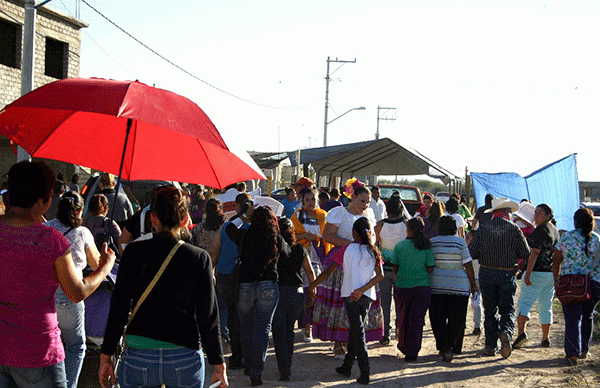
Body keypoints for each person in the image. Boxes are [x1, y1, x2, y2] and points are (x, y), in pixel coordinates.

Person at [99, 186, 228, 388]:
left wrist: (106, 355)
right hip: (184, 354)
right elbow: (208, 315)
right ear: (185, 219)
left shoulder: (132, 253)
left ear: (153, 218)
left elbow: (119, 309)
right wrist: (218, 362)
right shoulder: (198, 258)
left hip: (138, 354)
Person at [0, 161, 115, 388]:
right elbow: (76, 291)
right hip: (38, 351)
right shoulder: (50, 241)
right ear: (43, 201)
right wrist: (105, 268)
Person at [309, 217, 384, 385]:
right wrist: (363, 290)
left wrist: (312, 285)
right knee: (356, 331)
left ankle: (365, 372)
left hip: (351, 296)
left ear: (353, 233)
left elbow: (328, 272)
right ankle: (347, 366)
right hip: (366, 297)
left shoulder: (346, 249)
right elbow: (380, 276)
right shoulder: (373, 250)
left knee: (358, 334)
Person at [316, 178, 382, 359]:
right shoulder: (340, 213)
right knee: (341, 302)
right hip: (341, 263)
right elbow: (327, 235)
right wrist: (351, 245)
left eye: (368, 202)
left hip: (363, 264)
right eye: (363, 201)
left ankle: (350, 342)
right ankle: (338, 342)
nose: (366, 204)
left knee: (359, 301)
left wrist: (365, 247)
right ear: (352, 197)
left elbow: (373, 237)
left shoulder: (368, 216)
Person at [45, 192, 104, 388]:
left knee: (50, 342)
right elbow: (97, 265)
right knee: (75, 346)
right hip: (70, 296)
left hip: (47, 295)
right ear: (80, 210)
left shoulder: (46, 228)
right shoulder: (83, 233)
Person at [468, 197, 531, 359]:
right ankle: (506, 333)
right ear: (506, 213)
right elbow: (525, 253)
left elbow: (472, 252)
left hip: (487, 273)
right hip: (507, 273)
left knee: (490, 311)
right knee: (507, 309)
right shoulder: (514, 229)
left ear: (494, 213)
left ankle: (490, 346)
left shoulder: (484, 228)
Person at [237, 206, 289, 387]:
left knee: (245, 328)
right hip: (268, 284)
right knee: (262, 329)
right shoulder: (277, 239)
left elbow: (228, 229)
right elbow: (288, 254)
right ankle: (256, 372)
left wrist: (242, 215)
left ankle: (248, 363)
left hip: (246, 284)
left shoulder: (245, 235)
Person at [208, 192, 252, 369]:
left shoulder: (226, 226)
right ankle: (243, 353)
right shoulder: (253, 227)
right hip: (244, 274)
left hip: (225, 273)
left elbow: (213, 252)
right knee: (245, 315)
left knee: (229, 312)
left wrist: (211, 272)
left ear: (236, 206)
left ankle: (234, 353)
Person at [552, 207, 600, 364]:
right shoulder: (597, 239)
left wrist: (556, 279)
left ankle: (573, 353)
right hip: (593, 283)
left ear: (575, 222)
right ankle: (584, 350)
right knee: (588, 316)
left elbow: (557, 259)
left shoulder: (567, 237)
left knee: (573, 318)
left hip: (570, 283)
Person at [272, 218, 316, 382]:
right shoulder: (300, 249)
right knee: (289, 331)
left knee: (278, 333)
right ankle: (287, 365)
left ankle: (283, 369)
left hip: (278, 292)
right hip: (296, 293)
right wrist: (312, 290)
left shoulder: (275, 249)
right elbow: (310, 272)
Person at [429, 216, 478, 362]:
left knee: (438, 318)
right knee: (457, 318)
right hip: (459, 286)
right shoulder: (460, 242)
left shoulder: (433, 242)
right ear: (455, 228)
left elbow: (429, 263)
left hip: (437, 285)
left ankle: (443, 347)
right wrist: (473, 284)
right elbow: (468, 264)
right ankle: (453, 346)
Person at [512, 204, 560, 350]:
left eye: (539, 213)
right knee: (546, 306)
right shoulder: (555, 231)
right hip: (550, 274)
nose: (536, 215)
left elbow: (534, 253)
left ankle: (521, 334)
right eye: (535, 212)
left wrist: (528, 273)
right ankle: (545, 337)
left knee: (525, 303)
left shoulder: (541, 230)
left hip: (536, 271)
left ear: (547, 216)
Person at [390, 217, 435, 362]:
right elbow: (430, 267)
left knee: (403, 318)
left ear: (408, 229)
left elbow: (394, 267)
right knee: (417, 320)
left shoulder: (400, 246)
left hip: (403, 287)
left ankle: (403, 344)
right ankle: (412, 350)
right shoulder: (426, 246)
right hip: (422, 287)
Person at [291, 187, 331, 342]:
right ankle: (306, 327)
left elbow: (330, 234)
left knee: (320, 292)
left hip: (321, 257)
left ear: (318, 200)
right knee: (307, 291)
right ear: (302, 201)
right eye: (307, 200)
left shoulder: (324, 216)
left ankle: (318, 327)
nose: (310, 203)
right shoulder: (297, 216)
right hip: (302, 257)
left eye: (313, 199)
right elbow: (291, 235)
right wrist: (304, 235)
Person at [374, 194, 408, 346]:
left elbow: (374, 246)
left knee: (385, 303)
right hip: (402, 269)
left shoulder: (379, 225)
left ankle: (385, 334)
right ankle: (399, 332)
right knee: (400, 303)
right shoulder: (407, 224)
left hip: (384, 268)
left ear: (387, 210)